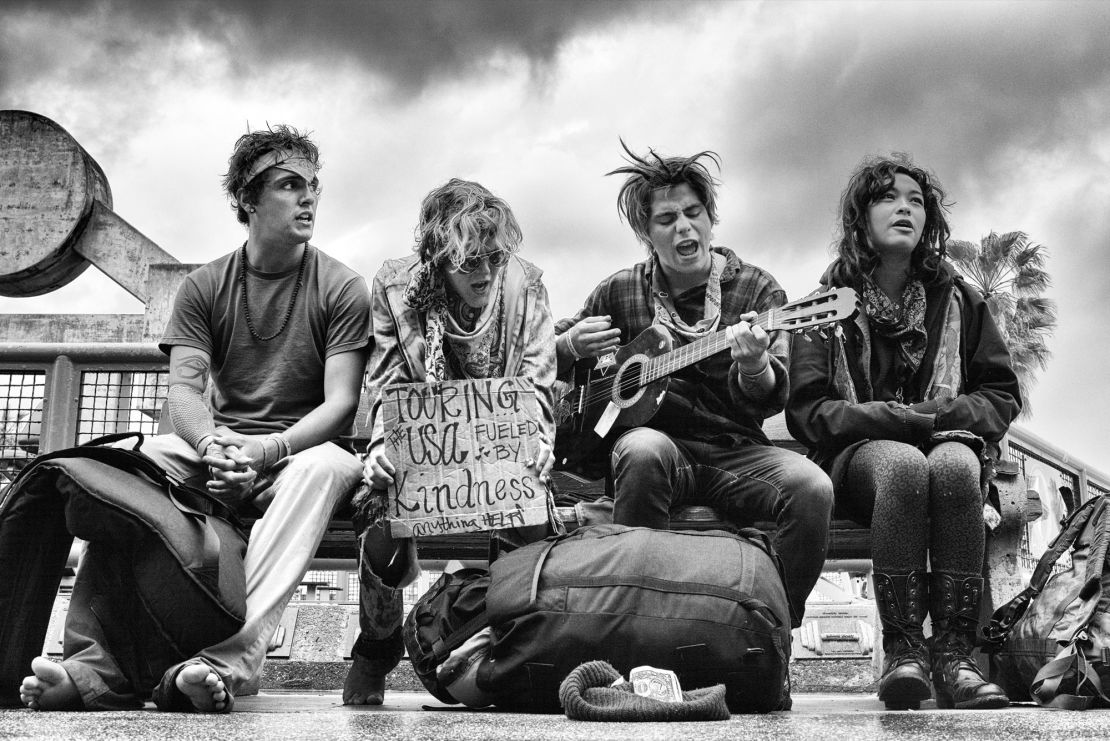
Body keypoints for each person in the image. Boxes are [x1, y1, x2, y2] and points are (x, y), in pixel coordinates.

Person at [18, 125, 370, 712]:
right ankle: (86, 670)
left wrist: (264, 453)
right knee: (132, 469)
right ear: (248, 201)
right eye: (289, 185)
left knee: (329, 468)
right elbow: (181, 392)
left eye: (314, 185)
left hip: (295, 455)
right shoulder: (205, 286)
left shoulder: (342, 286)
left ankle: (227, 663)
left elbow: (340, 406)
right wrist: (212, 444)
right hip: (219, 449)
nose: (309, 198)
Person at [554, 144, 833, 628]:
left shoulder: (757, 289)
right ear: (646, 232)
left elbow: (771, 397)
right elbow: (545, 366)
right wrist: (568, 346)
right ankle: (634, 628)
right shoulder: (618, 290)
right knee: (641, 448)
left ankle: (772, 630)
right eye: (666, 219)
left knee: (812, 487)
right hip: (657, 452)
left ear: (710, 217)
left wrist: (754, 367)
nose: (684, 227)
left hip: (733, 451)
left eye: (693, 212)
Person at [786, 154, 1021, 710]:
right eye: (889, 198)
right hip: (857, 464)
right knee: (905, 465)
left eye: (916, 201)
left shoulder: (961, 299)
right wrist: (895, 420)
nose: (905, 208)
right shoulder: (825, 304)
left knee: (955, 464)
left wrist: (939, 420)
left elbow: (1001, 394)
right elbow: (809, 410)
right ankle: (906, 650)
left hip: (948, 451)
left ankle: (955, 656)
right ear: (861, 217)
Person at [343, 178, 557, 705]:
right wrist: (378, 452)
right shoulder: (396, 288)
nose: (484, 272)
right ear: (439, 259)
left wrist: (540, 439)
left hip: (503, 455)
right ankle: (377, 646)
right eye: (469, 262)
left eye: (494, 256)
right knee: (376, 511)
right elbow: (388, 379)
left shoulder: (526, 286)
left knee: (533, 513)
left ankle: (516, 651)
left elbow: (538, 380)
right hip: (424, 461)